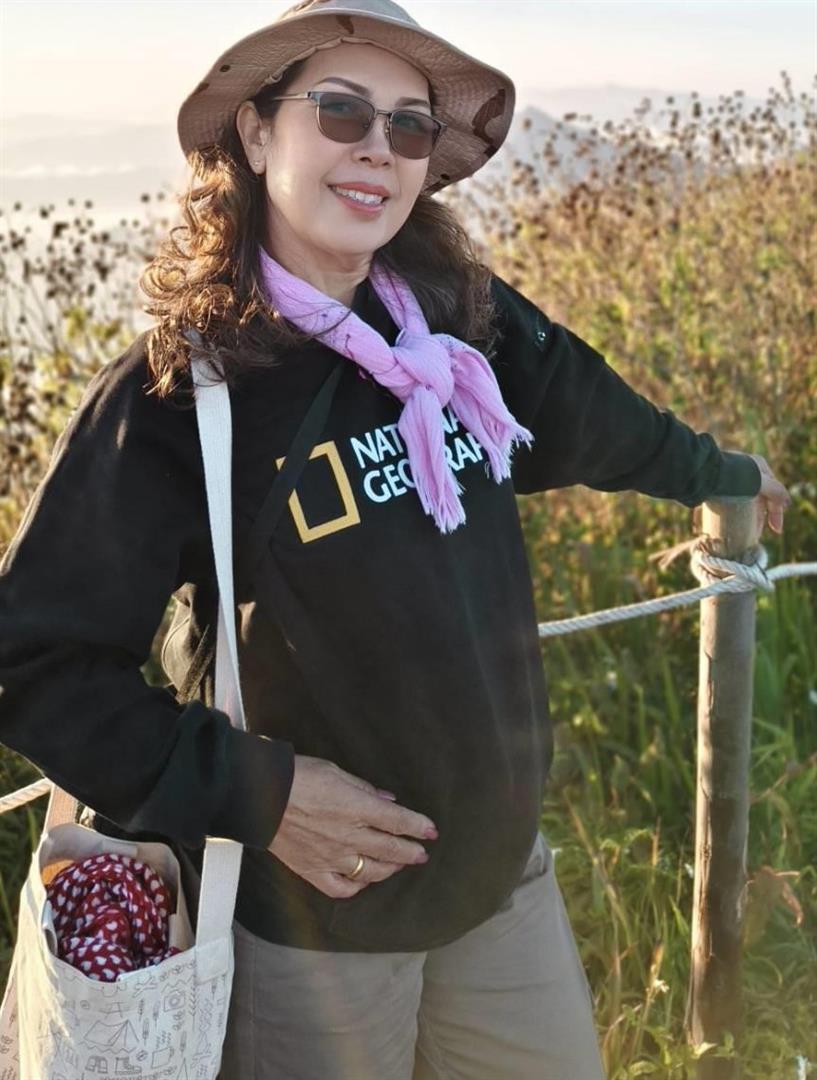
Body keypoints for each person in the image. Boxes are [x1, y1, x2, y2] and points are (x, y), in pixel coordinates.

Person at [0, 1, 791, 1077]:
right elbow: (34, 663)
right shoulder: (185, 393)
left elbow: (592, 416)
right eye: (340, 111)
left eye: (410, 125)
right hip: (313, 926)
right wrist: (263, 796)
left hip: (498, 878)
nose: (379, 146)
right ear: (255, 133)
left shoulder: (463, 327)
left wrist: (723, 474)